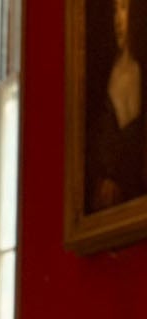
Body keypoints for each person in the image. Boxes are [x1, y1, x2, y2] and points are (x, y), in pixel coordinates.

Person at [91, 0, 146, 210]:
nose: (118, 20)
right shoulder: (107, 73)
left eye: (124, 8)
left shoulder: (140, 70)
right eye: (114, 11)